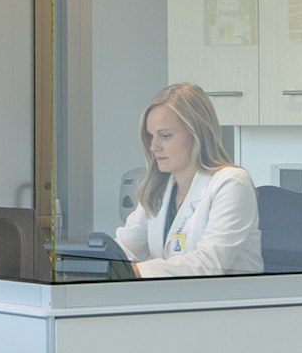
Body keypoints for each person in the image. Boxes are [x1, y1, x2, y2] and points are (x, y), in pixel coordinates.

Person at [112, 82, 263, 277]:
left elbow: (209, 264)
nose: (154, 147)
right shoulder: (159, 188)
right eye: (151, 137)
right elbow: (124, 248)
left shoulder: (232, 183)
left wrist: (136, 271)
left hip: (228, 302)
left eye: (165, 136)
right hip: (176, 299)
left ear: (196, 133)